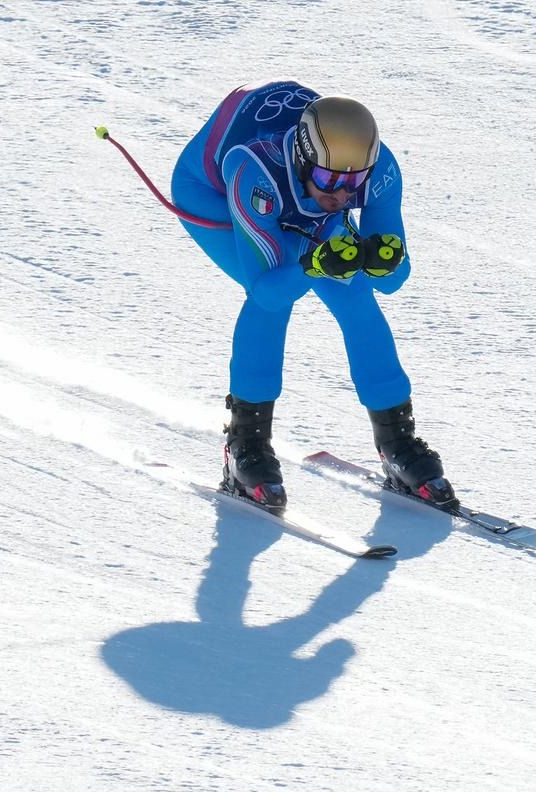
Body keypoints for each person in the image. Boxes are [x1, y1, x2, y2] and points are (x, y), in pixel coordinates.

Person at [170, 80, 455, 510]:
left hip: (293, 191)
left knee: (356, 298)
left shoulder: (379, 169)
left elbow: (393, 280)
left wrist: (383, 260)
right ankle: (245, 445)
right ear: (304, 159)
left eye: (353, 184)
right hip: (210, 193)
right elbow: (267, 290)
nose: (340, 194)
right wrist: (313, 265)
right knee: (274, 302)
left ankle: (397, 441)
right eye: (328, 179)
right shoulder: (253, 169)